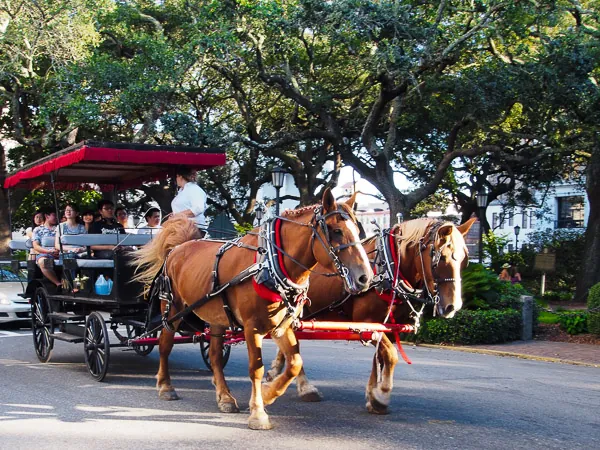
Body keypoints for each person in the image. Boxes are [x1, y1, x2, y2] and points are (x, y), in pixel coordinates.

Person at [54, 204, 87, 292]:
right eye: (66, 210)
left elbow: (86, 246)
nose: (68, 212)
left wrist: (81, 249)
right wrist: (70, 249)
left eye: (71, 210)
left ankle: (84, 286)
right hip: (66, 253)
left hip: (79, 252)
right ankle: (74, 286)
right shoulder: (61, 227)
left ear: (76, 213)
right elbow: (57, 245)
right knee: (70, 257)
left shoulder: (82, 228)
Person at [31, 209, 61, 290]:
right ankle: (58, 283)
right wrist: (49, 251)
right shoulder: (38, 230)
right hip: (45, 254)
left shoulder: (60, 228)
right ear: (47, 216)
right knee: (44, 262)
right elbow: (36, 246)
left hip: (61, 253)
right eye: (54, 215)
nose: (56, 218)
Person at [171, 166, 207, 231]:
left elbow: (198, 208)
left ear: (180, 176)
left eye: (176, 177)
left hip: (193, 229)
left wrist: (177, 216)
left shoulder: (194, 189)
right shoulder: (182, 191)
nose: (176, 179)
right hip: (181, 228)